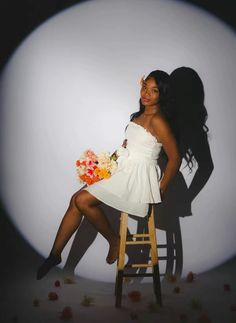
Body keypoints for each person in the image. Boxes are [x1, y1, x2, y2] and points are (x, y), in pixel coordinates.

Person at [36, 70, 181, 280]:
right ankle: (54, 255)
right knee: (75, 200)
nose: (146, 94)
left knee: (82, 200)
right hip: (123, 169)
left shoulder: (158, 120)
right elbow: (131, 146)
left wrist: (161, 189)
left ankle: (114, 241)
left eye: (154, 90)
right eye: (144, 87)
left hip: (136, 177)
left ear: (162, 94)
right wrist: (105, 166)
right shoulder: (139, 116)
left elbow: (175, 158)